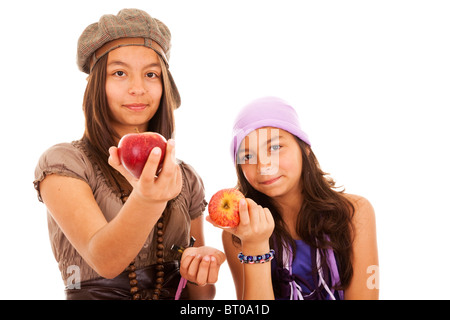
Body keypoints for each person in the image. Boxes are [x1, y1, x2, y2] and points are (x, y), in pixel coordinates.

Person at [33, 8, 225, 300]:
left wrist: (200, 269)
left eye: (151, 74)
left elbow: (200, 298)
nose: (137, 88)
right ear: (96, 85)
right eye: (119, 73)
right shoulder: (64, 164)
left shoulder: (184, 177)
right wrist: (148, 199)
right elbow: (106, 261)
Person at [207, 96, 379, 300]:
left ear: (304, 148)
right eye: (247, 157)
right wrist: (255, 245)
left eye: (275, 147)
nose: (264, 166)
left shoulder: (355, 212)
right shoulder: (238, 233)